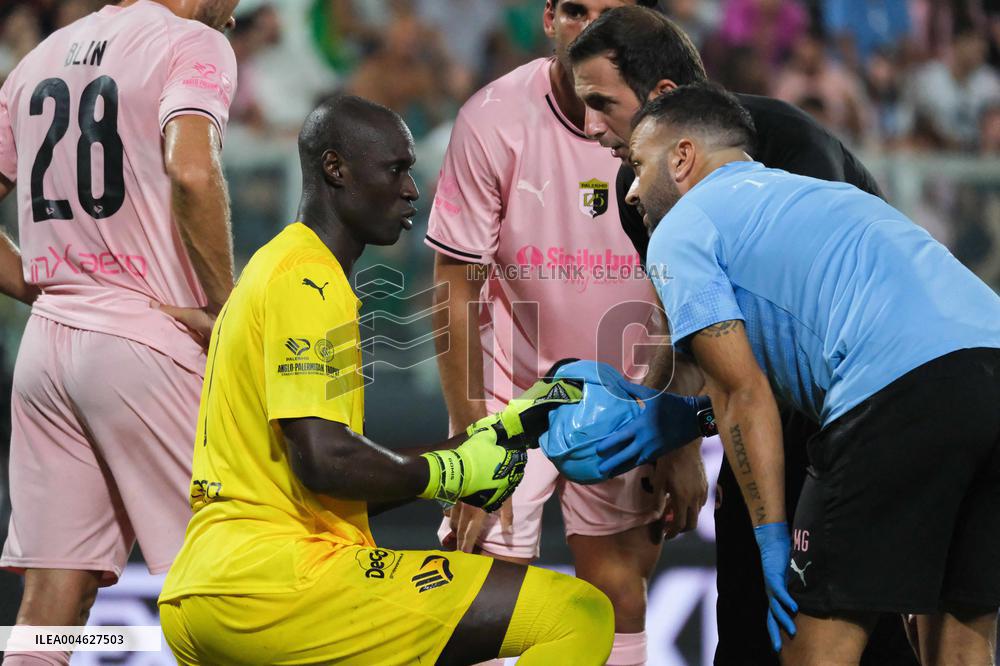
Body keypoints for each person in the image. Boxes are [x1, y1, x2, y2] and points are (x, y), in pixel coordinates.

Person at [156, 95, 615, 666]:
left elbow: (316, 485)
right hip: (275, 582)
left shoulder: (278, 267)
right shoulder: (308, 280)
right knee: (576, 615)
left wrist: (470, 451)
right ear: (335, 169)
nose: (412, 190)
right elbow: (323, 460)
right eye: (395, 169)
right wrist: (448, 472)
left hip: (211, 589)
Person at [565, 7, 920, 665]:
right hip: (760, 415)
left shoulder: (789, 147)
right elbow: (691, 324)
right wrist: (663, 427)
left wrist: (691, 417)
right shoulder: (635, 187)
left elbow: (815, 337)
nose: (589, 126)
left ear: (663, 99)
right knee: (747, 636)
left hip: (869, 420)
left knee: (864, 647)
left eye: (601, 103)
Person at [618, 81, 1000, 664]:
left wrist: (773, 542)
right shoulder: (823, 195)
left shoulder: (681, 227)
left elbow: (742, 393)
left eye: (638, 166)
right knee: (961, 642)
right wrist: (686, 415)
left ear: (683, 156)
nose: (632, 192)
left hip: (895, 389)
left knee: (814, 648)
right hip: (990, 365)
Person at [425, 2, 706, 663]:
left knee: (617, 587)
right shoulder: (491, 118)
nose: (589, 26)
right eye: (575, 9)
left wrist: (679, 429)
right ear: (548, 16)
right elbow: (455, 284)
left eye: (608, 12)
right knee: (482, 594)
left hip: (628, 391)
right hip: (511, 390)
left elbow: (691, 281)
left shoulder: (672, 129)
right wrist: (473, 440)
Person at [0, 1, 238, 663]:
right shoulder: (189, 42)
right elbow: (191, 169)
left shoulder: (40, 57)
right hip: (151, 338)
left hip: (46, 349)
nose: (236, 15)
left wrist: (34, 283)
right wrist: (229, 307)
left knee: (51, 611)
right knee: (238, 581)